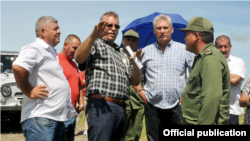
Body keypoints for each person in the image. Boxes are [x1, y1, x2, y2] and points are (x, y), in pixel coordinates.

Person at [74, 11, 142, 141]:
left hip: (121, 108)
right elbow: (78, 57)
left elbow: (135, 80)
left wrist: (135, 64)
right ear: (101, 26)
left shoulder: (122, 54)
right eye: (109, 25)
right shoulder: (95, 44)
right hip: (101, 105)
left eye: (117, 26)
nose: (113, 29)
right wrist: (93, 36)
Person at [12, 16, 77, 140]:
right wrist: (28, 91)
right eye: (55, 29)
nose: (59, 32)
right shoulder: (34, 48)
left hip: (57, 118)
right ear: (43, 31)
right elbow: (18, 67)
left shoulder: (50, 52)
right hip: (42, 118)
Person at [140, 14, 194, 141]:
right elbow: (135, 75)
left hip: (177, 105)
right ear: (154, 31)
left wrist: (187, 95)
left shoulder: (185, 50)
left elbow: (195, 75)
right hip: (152, 105)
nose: (162, 31)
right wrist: (139, 90)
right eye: (158, 28)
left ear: (172, 29)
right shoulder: (145, 51)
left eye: (165, 27)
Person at [179, 16, 230, 125]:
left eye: (187, 35)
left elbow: (211, 98)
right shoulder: (202, 57)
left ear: (196, 36)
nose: (184, 39)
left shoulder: (210, 58)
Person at [215, 35, 246, 125]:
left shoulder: (238, 62)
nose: (223, 50)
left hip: (231, 110)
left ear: (230, 47)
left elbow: (234, 80)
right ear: (215, 47)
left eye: (226, 46)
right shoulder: (210, 61)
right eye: (220, 47)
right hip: (212, 109)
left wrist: (213, 75)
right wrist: (228, 73)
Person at [58, 34, 84, 137]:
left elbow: (79, 84)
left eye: (79, 49)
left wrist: (81, 103)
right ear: (65, 45)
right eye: (75, 48)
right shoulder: (56, 61)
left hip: (72, 113)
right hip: (59, 114)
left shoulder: (74, 65)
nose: (77, 51)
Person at [122, 29, 144, 141]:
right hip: (121, 103)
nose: (130, 42)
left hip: (137, 103)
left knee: (134, 136)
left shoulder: (142, 58)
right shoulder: (116, 56)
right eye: (128, 40)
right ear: (122, 41)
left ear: (137, 43)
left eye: (133, 40)